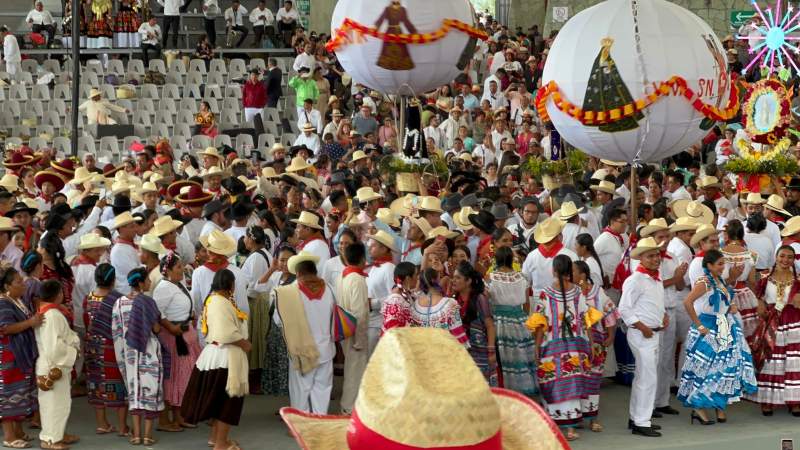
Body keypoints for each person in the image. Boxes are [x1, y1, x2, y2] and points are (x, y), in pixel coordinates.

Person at [678, 249, 757, 424]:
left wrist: (730, 307)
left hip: (723, 325)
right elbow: (687, 302)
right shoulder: (704, 282)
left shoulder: (719, 280)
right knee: (708, 369)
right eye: (720, 264)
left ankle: (719, 406)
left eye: (724, 263)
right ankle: (697, 407)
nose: (723, 267)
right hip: (708, 326)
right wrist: (698, 325)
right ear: (709, 265)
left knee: (725, 368)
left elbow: (721, 303)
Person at [526, 254, 599, 441]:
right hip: (577, 344)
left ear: (554, 271)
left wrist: (537, 345)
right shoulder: (576, 293)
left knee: (558, 383)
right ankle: (576, 423)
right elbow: (586, 319)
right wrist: (590, 342)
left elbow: (541, 323)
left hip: (553, 345)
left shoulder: (546, 294)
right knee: (575, 382)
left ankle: (568, 427)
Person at [181, 269, 250, 450]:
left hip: (218, 356)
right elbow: (225, 332)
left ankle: (216, 439)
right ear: (231, 285)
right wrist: (244, 344)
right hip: (225, 357)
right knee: (226, 404)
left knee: (219, 402)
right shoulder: (219, 302)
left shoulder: (216, 300)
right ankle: (220, 444)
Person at [618, 237, 669, 437]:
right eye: (651, 256)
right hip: (642, 334)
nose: (656, 259)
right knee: (647, 378)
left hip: (651, 332)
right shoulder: (635, 280)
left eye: (657, 255)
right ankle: (641, 421)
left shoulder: (655, 277)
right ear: (641, 258)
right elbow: (624, 308)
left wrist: (663, 315)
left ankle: (637, 417)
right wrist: (642, 326)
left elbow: (656, 302)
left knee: (645, 376)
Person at [272, 251, 334, 414]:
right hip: (326, 348)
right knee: (322, 388)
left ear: (298, 272)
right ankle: (320, 420)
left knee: (300, 389)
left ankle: (301, 423)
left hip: (301, 349)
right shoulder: (329, 289)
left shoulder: (287, 292)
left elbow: (279, 321)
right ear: (315, 271)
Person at [111, 267, 165, 446]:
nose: (150, 283)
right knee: (150, 392)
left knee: (134, 393)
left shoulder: (118, 303)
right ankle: (148, 436)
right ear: (141, 283)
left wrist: (122, 357)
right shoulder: (148, 302)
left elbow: (117, 332)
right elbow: (156, 329)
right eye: (148, 280)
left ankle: (136, 435)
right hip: (148, 352)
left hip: (129, 355)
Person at [748, 245, 800, 415]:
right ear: (776, 257)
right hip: (771, 322)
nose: (785, 260)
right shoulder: (764, 276)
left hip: (793, 323)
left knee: (793, 361)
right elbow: (757, 295)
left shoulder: (798, 279)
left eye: (789, 257)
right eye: (782, 256)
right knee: (770, 359)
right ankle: (767, 400)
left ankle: (794, 400)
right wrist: (760, 303)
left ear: (794, 259)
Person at [152, 252, 201, 430]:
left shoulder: (177, 284)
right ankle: (177, 415)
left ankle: (181, 413)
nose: (183, 269)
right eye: (179, 267)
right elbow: (157, 311)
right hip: (174, 337)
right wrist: (171, 328)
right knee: (179, 376)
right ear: (168, 270)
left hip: (185, 332)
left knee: (186, 375)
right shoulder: (164, 287)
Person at [34, 280, 80, 450]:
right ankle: (51, 439)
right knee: (55, 404)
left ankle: (57, 434)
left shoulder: (47, 311)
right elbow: (55, 347)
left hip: (49, 363)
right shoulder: (53, 315)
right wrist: (73, 347)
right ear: (58, 294)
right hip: (54, 365)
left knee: (56, 403)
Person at [83, 264, 129, 437]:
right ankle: (122, 426)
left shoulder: (88, 298)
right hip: (111, 347)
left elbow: (86, 321)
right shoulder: (118, 299)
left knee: (96, 383)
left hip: (92, 347)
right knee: (117, 383)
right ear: (113, 280)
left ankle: (102, 424)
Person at [486, 246, 536, 397]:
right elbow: (526, 303)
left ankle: (506, 391)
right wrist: (525, 320)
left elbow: (488, 301)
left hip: (500, 319)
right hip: (520, 318)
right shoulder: (522, 278)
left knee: (505, 356)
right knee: (521, 354)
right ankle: (524, 392)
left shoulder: (490, 278)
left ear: (496, 259)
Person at [0, 267, 41, 448]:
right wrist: (31, 323)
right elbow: (5, 328)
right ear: (7, 286)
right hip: (9, 355)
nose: (23, 284)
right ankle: (9, 436)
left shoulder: (15, 300)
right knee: (9, 393)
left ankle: (18, 431)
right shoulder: (3, 303)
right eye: (18, 282)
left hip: (20, 354)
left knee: (22, 393)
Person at [336, 242, 369, 414]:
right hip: (355, 333)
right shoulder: (357, 279)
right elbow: (361, 313)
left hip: (345, 329)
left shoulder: (343, 277)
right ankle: (349, 409)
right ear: (363, 258)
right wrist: (360, 339)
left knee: (351, 370)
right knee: (355, 372)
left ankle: (349, 407)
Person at [452, 261, 498, 385]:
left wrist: (491, 351)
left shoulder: (480, 299)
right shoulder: (453, 300)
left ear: (468, 281)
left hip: (481, 352)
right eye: (453, 277)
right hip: (462, 353)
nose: (454, 281)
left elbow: (490, 326)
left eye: (458, 278)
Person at [260, 245, 296, 397]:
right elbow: (257, 286)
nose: (284, 264)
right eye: (281, 260)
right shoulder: (276, 277)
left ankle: (293, 401)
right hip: (274, 326)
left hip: (289, 328)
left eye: (288, 260)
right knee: (275, 360)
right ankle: (284, 400)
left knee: (288, 365)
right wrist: (271, 269)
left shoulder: (297, 280)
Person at [240, 226, 271, 394]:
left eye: (245, 237)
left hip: (256, 301)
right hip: (260, 299)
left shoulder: (255, 259)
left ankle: (255, 380)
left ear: (251, 239)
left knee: (256, 338)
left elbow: (253, 286)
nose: (244, 240)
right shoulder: (263, 254)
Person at [381, 262, 418, 333]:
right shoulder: (395, 301)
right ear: (408, 278)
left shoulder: (408, 295)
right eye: (416, 275)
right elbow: (392, 329)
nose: (417, 278)